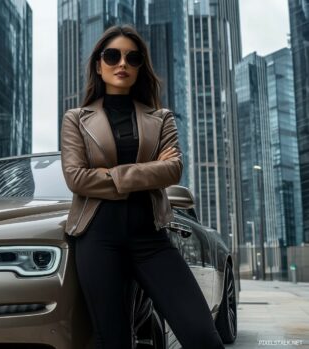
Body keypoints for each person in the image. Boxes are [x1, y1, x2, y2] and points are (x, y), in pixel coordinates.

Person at [60, 25, 225, 349]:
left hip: (151, 239)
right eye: (112, 55)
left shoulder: (160, 118)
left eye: (132, 57)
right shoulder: (76, 118)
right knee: (114, 341)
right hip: (97, 238)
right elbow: (76, 178)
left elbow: (173, 169)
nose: (122, 62)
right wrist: (147, 172)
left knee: (202, 335)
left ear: (140, 67)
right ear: (98, 64)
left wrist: (112, 175)